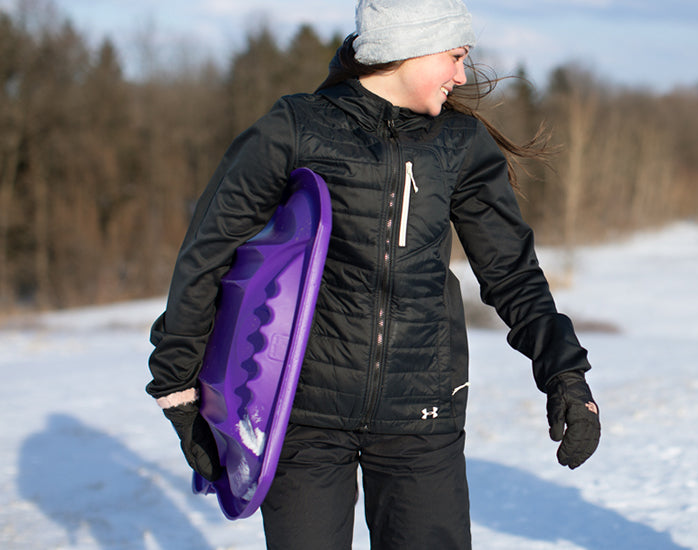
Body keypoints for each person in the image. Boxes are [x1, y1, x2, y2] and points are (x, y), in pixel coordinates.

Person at [146, 1, 600, 548]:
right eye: (454, 56)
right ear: (404, 49)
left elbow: (512, 274)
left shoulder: (459, 145)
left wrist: (565, 376)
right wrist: (177, 386)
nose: (461, 75)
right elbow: (211, 252)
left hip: (422, 415)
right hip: (303, 411)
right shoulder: (296, 128)